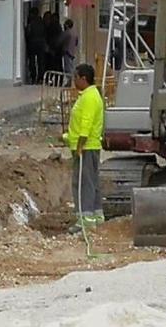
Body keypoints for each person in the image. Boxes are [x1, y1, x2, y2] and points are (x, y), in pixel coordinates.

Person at [64, 63, 105, 234]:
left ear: (83, 78)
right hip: (88, 146)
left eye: (75, 77)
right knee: (91, 182)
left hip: (86, 147)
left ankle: (85, 220)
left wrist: (80, 145)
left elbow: (86, 125)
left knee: (82, 183)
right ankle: (96, 216)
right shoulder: (90, 95)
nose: (73, 81)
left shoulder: (89, 97)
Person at [25, 7, 47, 84]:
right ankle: (40, 78)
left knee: (32, 61)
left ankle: (33, 77)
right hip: (41, 43)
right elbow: (45, 32)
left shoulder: (31, 22)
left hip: (32, 43)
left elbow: (28, 32)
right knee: (41, 61)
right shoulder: (42, 21)